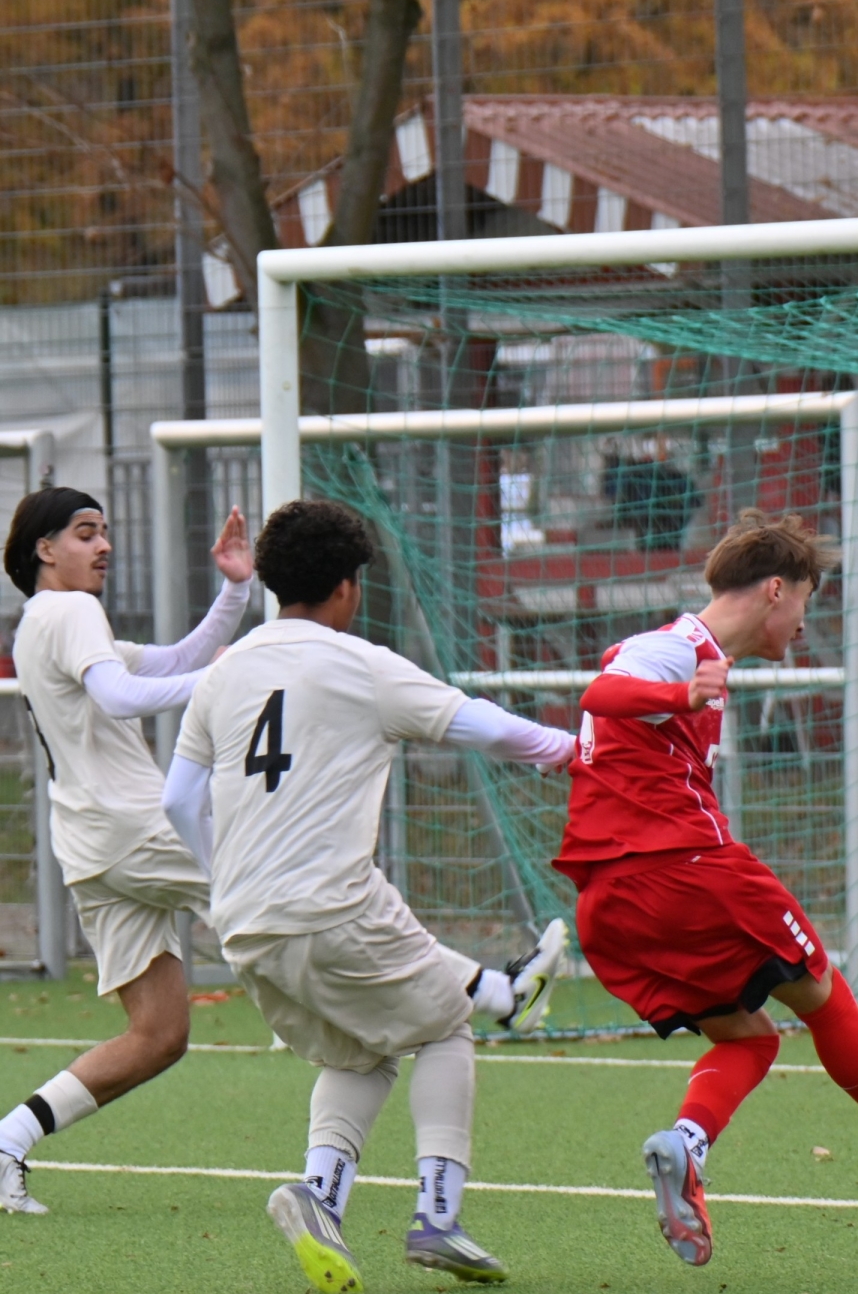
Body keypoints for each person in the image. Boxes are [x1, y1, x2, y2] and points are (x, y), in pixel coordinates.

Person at [559, 509, 858, 1269]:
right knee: (821, 987)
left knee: (749, 1036)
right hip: (686, 868)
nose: (803, 621)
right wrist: (684, 696)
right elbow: (603, 692)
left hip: (610, 899)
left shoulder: (691, 659)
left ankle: (686, 1144)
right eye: (804, 598)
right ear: (775, 589)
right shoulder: (678, 648)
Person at [162, 499, 574, 1288]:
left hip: (243, 923)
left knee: (364, 1050)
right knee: (446, 1027)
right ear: (348, 586)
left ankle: (321, 1199)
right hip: (332, 906)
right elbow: (483, 725)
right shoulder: (362, 665)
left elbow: (179, 801)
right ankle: (438, 1218)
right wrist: (573, 749)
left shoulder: (224, 672)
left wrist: (231, 881)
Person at [0, 489, 253, 1215]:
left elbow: (168, 661)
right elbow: (120, 696)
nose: (104, 544)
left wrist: (236, 591)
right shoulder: (71, 611)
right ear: (45, 549)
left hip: (91, 848)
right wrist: (228, 677)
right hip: (133, 829)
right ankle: (468, 997)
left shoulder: (41, 620)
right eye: (86, 533)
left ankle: (7, 1140)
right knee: (274, 896)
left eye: (106, 532)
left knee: (159, 1034)